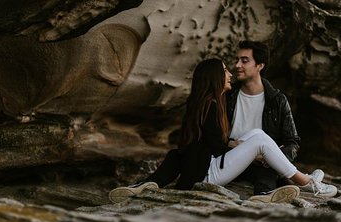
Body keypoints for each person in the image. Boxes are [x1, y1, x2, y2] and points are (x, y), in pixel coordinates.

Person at [108, 58, 338, 204]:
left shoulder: (203, 104)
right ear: (215, 77)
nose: (230, 73)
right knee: (260, 141)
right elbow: (216, 144)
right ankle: (306, 183)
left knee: (257, 136)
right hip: (210, 172)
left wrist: (237, 145)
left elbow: (204, 143)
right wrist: (252, 153)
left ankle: (302, 178)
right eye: (225, 70)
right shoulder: (211, 106)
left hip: (205, 166)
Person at [227, 40, 309, 195]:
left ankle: (265, 200)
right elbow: (214, 133)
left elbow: (292, 141)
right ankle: (302, 181)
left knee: (266, 178)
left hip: (261, 165)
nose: (237, 65)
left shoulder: (277, 100)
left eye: (244, 61)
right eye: (237, 60)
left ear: (260, 66)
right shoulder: (228, 95)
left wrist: (271, 158)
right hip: (229, 158)